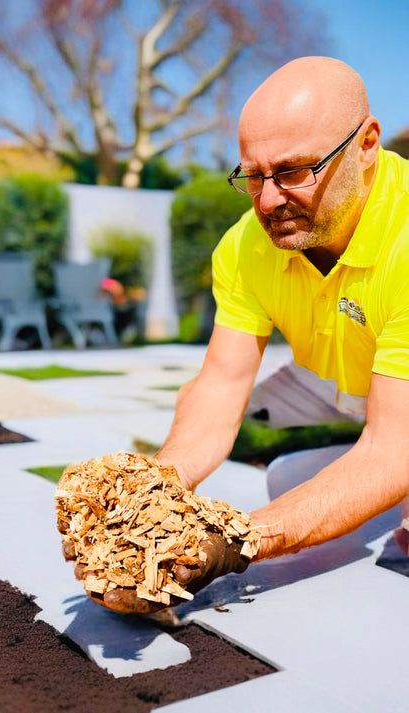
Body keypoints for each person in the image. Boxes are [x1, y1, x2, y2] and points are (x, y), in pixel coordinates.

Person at [66, 56, 409, 614]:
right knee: (286, 486)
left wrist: (230, 541)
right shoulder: (248, 246)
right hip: (364, 378)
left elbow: (393, 448)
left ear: (366, 144)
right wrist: (150, 493)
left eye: (295, 171)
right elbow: (220, 389)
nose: (268, 199)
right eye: (253, 175)